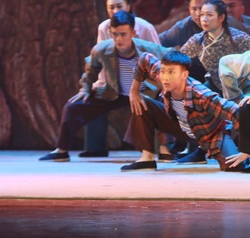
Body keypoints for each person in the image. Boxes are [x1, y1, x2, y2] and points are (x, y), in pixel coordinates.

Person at [39, 10, 172, 162]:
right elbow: (91, 69)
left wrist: (167, 83)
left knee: (165, 102)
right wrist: (85, 88)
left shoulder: (148, 48)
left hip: (144, 93)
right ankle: (61, 150)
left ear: (133, 33)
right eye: (115, 34)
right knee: (73, 106)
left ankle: (164, 149)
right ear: (110, 33)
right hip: (114, 92)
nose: (119, 39)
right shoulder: (101, 49)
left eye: (123, 34)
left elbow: (170, 55)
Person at [120, 50, 243, 171]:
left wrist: (246, 150)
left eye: (171, 72)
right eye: (163, 71)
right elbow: (145, 58)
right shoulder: (163, 76)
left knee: (235, 165)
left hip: (210, 133)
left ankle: (216, 150)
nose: (165, 77)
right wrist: (134, 90)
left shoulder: (202, 95)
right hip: (180, 126)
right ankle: (147, 157)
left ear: (184, 75)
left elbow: (236, 112)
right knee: (143, 103)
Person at [84, 0, 162, 158]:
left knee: (156, 102)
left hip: (143, 83)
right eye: (111, 7)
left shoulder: (145, 27)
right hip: (115, 82)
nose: (115, 10)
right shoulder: (104, 27)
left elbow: (158, 56)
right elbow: (101, 58)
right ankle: (95, 147)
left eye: (119, 6)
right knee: (95, 97)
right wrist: (99, 83)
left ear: (128, 6)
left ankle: (159, 148)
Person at [180, 0, 250, 91]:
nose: (204, 19)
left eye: (209, 15)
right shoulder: (197, 40)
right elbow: (178, 59)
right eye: (202, 15)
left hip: (243, 86)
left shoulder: (239, 38)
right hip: (216, 87)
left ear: (221, 17)